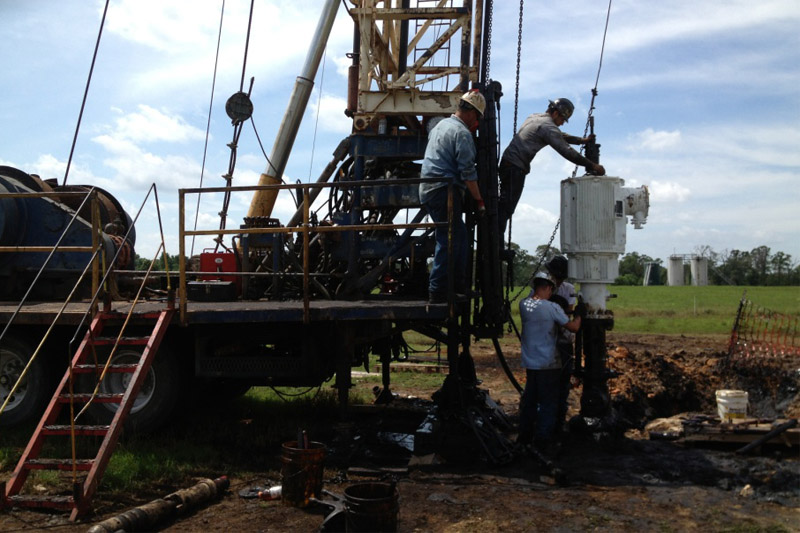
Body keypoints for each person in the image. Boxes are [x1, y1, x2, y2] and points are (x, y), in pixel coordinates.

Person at [497, 98, 606, 236]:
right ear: (555, 113)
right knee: (506, 209)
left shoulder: (535, 117)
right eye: (562, 120)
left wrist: (580, 141)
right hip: (515, 168)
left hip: (507, 164)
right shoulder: (548, 127)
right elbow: (567, 151)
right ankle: (496, 244)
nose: (562, 124)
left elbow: (558, 135)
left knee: (503, 206)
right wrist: (593, 165)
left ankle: (496, 241)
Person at [419, 89, 487, 303]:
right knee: (448, 239)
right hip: (443, 190)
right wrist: (479, 201)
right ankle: (437, 290)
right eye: (477, 117)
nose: (476, 122)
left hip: (430, 189)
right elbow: (468, 172)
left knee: (459, 238)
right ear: (470, 113)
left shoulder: (440, 126)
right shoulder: (462, 134)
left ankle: (457, 285)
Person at [518, 271, 581, 456]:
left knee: (529, 402)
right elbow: (574, 328)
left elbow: (535, 302)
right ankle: (543, 441)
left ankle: (524, 438)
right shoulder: (552, 307)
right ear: (547, 288)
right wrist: (579, 314)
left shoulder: (524, 304)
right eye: (550, 290)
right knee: (548, 404)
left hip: (531, 364)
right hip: (549, 364)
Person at [546, 255, 578, 428]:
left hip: (563, 341)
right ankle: (547, 420)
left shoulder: (568, 289)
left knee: (563, 381)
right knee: (546, 382)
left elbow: (568, 312)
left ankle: (558, 420)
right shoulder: (541, 289)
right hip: (547, 342)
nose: (557, 280)